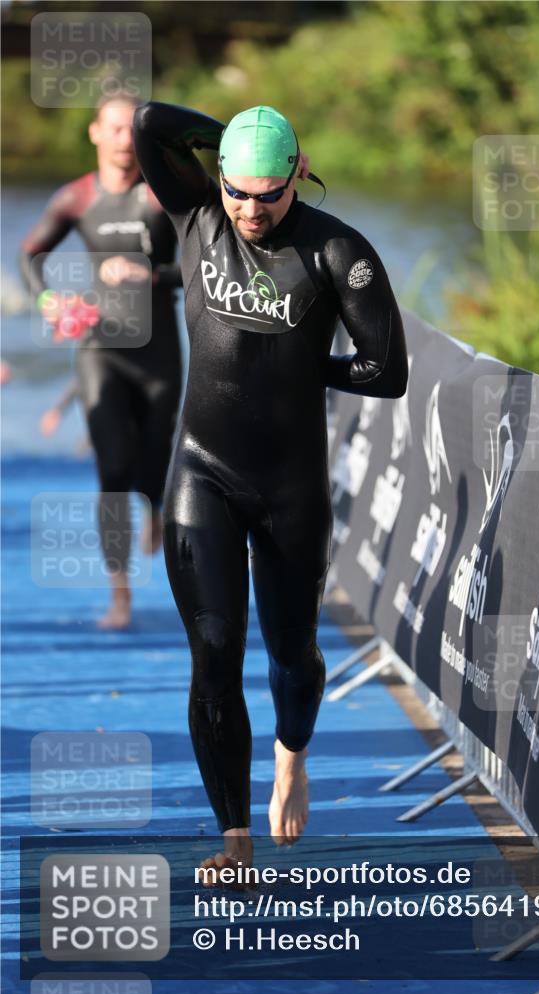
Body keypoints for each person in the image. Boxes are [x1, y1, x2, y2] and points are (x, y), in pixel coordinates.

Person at [132, 101, 408, 874]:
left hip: (289, 489)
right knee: (213, 651)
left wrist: (298, 368)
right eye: (239, 190)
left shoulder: (336, 250)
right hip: (202, 475)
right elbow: (150, 120)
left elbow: (387, 372)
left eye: (270, 192)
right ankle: (234, 837)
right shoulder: (192, 214)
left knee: (292, 654)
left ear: (299, 174)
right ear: (217, 178)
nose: (252, 209)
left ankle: (292, 754)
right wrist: (236, 135)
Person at [20, 94, 183, 629]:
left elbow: (207, 263)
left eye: (130, 131)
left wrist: (152, 276)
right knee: (113, 469)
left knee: (154, 467)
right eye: (112, 129)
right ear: (94, 133)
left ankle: (157, 509)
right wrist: (48, 300)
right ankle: (121, 595)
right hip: (99, 349)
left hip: (159, 350)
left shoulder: (162, 196)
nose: (121, 140)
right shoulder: (77, 198)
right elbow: (29, 255)